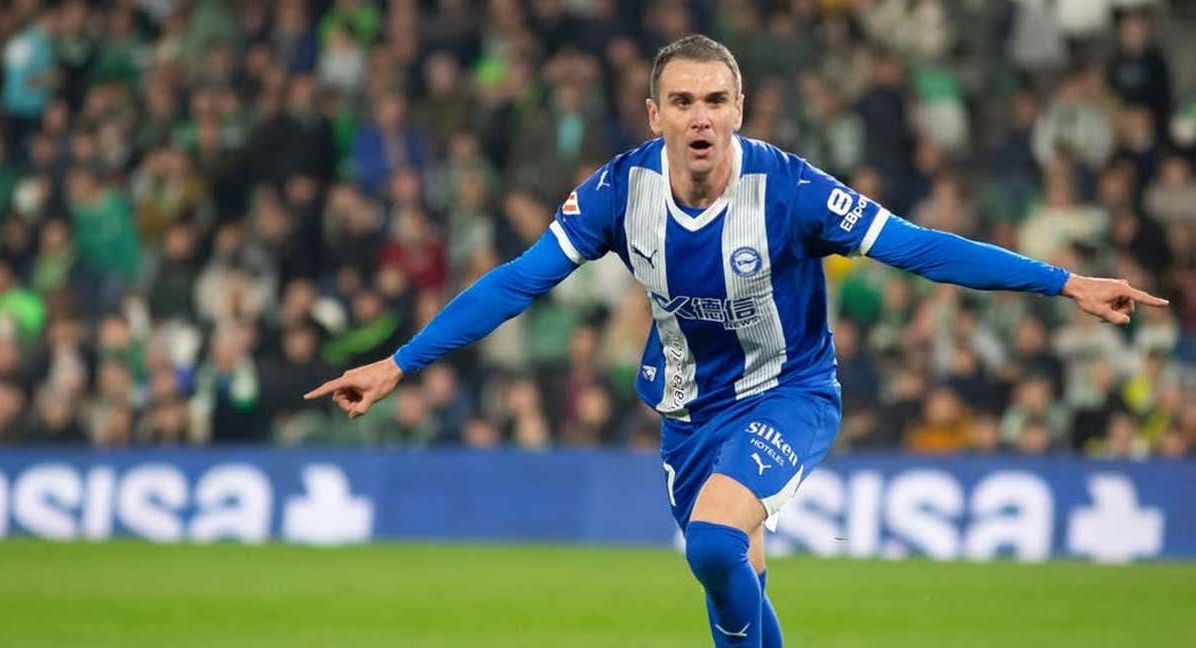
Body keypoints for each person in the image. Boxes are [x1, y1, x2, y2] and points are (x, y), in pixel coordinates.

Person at [304, 35, 1167, 648]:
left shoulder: (790, 191)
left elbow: (922, 247)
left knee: (715, 544)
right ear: (655, 113)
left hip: (789, 394)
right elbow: (518, 280)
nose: (700, 117)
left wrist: (1063, 281)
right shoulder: (618, 191)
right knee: (733, 575)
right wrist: (399, 362)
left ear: (739, 109)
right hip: (688, 410)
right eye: (682, 101)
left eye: (716, 100)